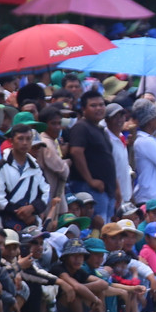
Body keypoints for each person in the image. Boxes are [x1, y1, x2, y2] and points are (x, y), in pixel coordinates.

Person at [66, 91, 117, 221]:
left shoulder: (100, 129)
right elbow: (76, 152)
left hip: (106, 190)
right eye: (93, 105)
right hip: (89, 188)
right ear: (83, 109)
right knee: (96, 228)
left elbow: (108, 160)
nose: (99, 108)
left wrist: (116, 188)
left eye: (101, 105)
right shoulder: (81, 127)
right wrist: (90, 180)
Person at [0, 123, 52, 230]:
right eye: (20, 139)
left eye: (28, 139)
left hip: (32, 222)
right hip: (5, 221)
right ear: (11, 141)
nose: (25, 143)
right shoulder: (0, 166)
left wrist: (32, 208)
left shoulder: (37, 168)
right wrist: (20, 212)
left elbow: (45, 193)